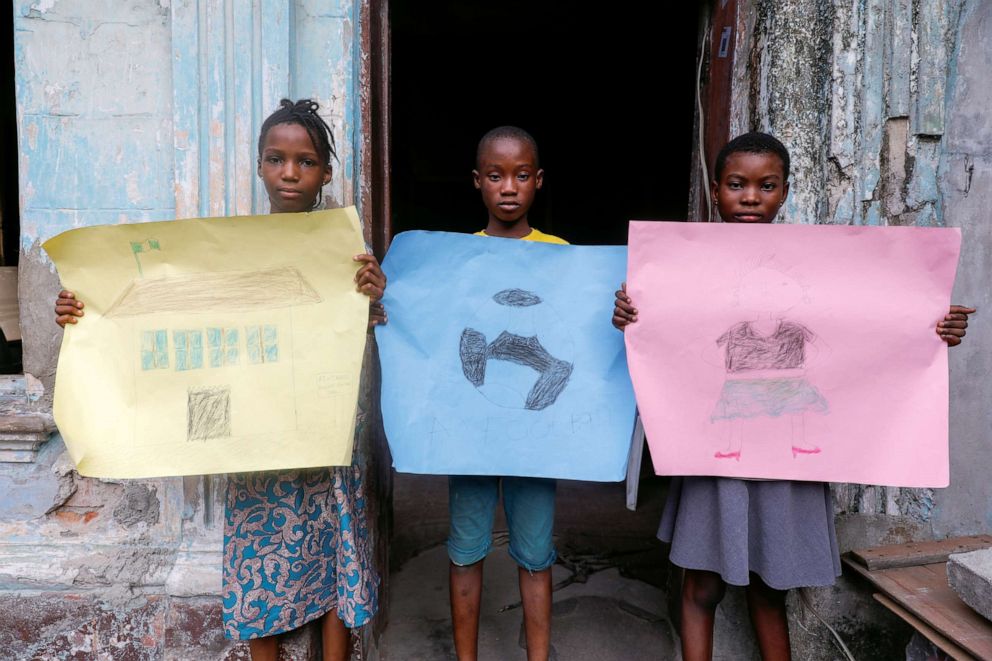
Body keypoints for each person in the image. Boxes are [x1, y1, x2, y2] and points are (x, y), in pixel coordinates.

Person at [611, 131, 974, 661]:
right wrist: (631, 316)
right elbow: (669, 338)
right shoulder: (681, 267)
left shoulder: (823, 265)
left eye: (766, 185)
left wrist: (932, 326)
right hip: (717, 457)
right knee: (702, 587)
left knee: (770, 586)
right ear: (716, 191)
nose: (751, 197)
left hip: (787, 461)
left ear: (784, 192)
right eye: (737, 185)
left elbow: (872, 327)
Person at [54, 99, 386, 661]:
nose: (289, 172)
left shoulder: (346, 251)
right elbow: (160, 307)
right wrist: (85, 306)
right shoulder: (225, 250)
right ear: (259, 166)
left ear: (326, 172)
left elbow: (371, 328)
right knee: (258, 548)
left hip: (329, 424)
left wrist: (376, 297)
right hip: (254, 427)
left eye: (305, 161)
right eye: (276, 159)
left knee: (335, 542)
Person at [447, 126, 564, 661]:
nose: (509, 187)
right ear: (478, 182)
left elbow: (574, 331)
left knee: (536, 555)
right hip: (470, 429)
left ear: (538, 182)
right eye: (496, 176)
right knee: (466, 550)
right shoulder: (453, 259)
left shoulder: (563, 258)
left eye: (521, 175)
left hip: (534, 435)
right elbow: (431, 328)